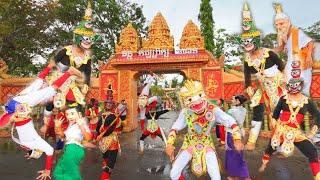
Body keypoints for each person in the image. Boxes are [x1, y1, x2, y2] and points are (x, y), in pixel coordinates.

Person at [0, 62, 82, 180]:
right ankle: (52, 67)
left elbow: (49, 151)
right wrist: (42, 165)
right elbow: (40, 148)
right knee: (39, 84)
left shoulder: (31, 142)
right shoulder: (28, 143)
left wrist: (47, 170)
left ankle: (69, 72)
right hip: (16, 103)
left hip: (19, 106)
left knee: (51, 89)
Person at [165, 80, 243, 179]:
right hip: (189, 144)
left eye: (199, 96)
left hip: (206, 144)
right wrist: (170, 143)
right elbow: (175, 127)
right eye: (190, 99)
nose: (196, 101)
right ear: (185, 101)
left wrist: (237, 139)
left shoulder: (213, 109)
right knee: (174, 173)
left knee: (216, 177)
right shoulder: (185, 112)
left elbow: (230, 121)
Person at [239, 3, 285, 150]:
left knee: (279, 113)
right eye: (244, 41)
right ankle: (252, 140)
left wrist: (286, 85)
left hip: (277, 86)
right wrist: (248, 87)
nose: (247, 44)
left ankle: (281, 142)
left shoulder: (268, 53)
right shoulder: (247, 59)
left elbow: (282, 67)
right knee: (256, 107)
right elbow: (247, 77)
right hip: (262, 87)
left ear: (256, 40)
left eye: (249, 40)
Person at [258, 69, 320, 179]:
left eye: (296, 84)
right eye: (291, 84)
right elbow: (275, 114)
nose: (293, 87)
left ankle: (318, 176)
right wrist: (273, 122)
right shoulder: (283, 99)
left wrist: (313, 130)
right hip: (281, 130)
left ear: (301, 85)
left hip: (296, 133)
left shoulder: (307, 101)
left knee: (312, 151)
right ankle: (264, 164)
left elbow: (317, 116)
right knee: (271, 147)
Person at [273, 3, 314, 96]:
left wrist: (309, 56)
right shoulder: (284, 36)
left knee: (301, 85)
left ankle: (303, 105)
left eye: (281, 23)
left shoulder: (296, 32)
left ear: (288, 22)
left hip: (301, 62)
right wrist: (267, 51)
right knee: (288, 83)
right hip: (290, 62)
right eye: (276, 25)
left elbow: (310, 42)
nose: (279, 27)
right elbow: (280, 48)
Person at [53, 105, 92, 180]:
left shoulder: (82, 122)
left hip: (74, 149)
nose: (69, 116)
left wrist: (81, 125)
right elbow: (63, 136)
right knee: (59, 171)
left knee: (70, 174)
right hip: (69, 148)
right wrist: (58, 127)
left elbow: (88, 138)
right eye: (67, 114)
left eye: (72, 114)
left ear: (79, 114)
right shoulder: (71, 124)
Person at [96, 88, 121, 180]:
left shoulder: (110, 115)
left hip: (107, 140)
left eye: (110, 103)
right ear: (105, 105)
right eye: (107, 103)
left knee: (108, 161)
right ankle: (106, 177)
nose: (108, 105)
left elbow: (106, 129)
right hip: (107, 141)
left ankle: (105, 177)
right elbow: (100, 127)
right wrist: (99, 133)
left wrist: (100, 134)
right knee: (108, 161)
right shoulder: (108, 115)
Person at [225, 94, 250, 180]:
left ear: (238, 101)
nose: (231, 101)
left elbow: (226, 122)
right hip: (240, 132)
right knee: (239, 154)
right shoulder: (244, 110)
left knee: (232, 154)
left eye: (233, 99)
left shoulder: (231, 111)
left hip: (232, 133)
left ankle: (243, 175)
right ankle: (236, 175)